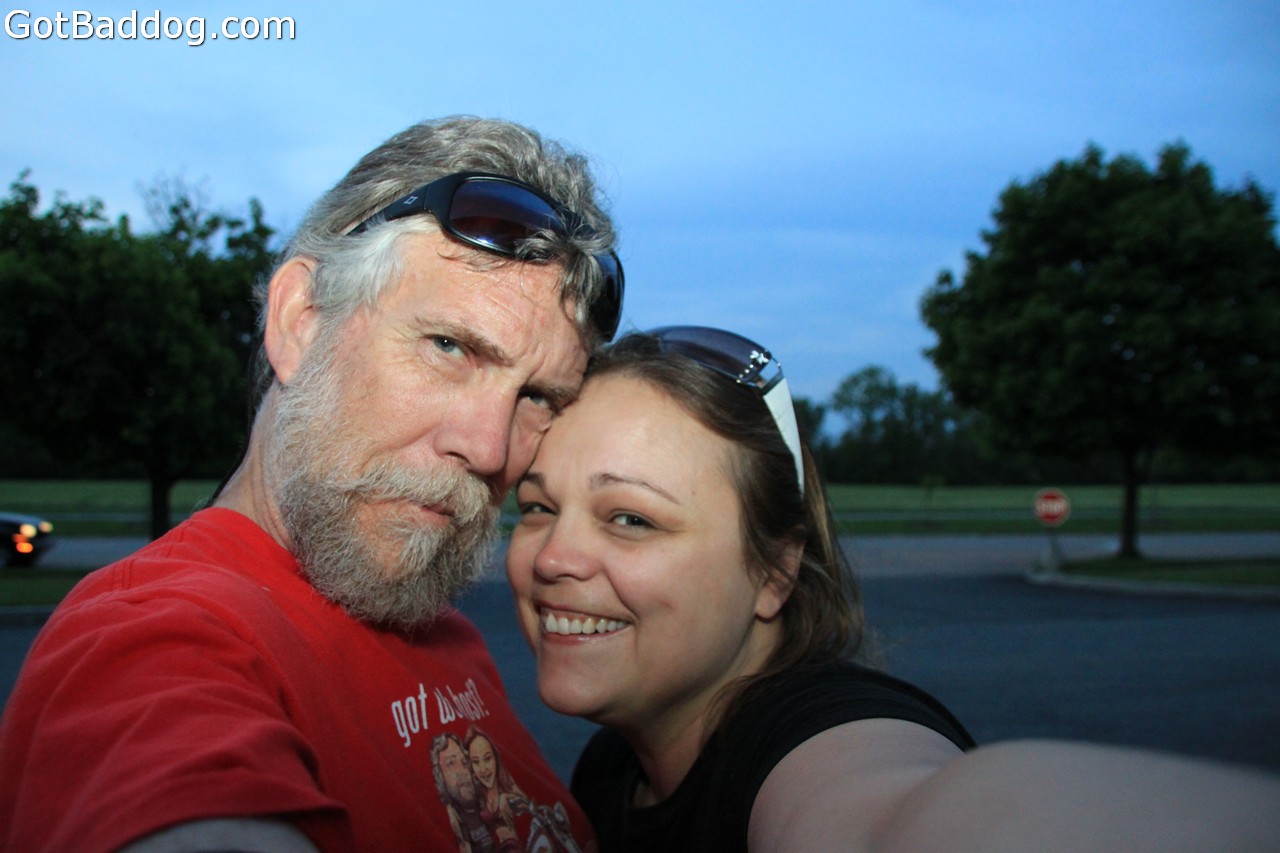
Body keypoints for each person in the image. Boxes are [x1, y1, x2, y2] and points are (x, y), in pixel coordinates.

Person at [0, 116, 624, 853]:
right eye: (449, 346)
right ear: (299, 320)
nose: (490, 449)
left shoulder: (441, 631)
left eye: (537, 396)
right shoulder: (152, 637)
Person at [505, 325, 1280, 852]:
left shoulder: (806, 735)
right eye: (537, 507)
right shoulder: (612, 769)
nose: (554, 557)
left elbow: (893, 813)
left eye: (631, 518)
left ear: (775, 570)